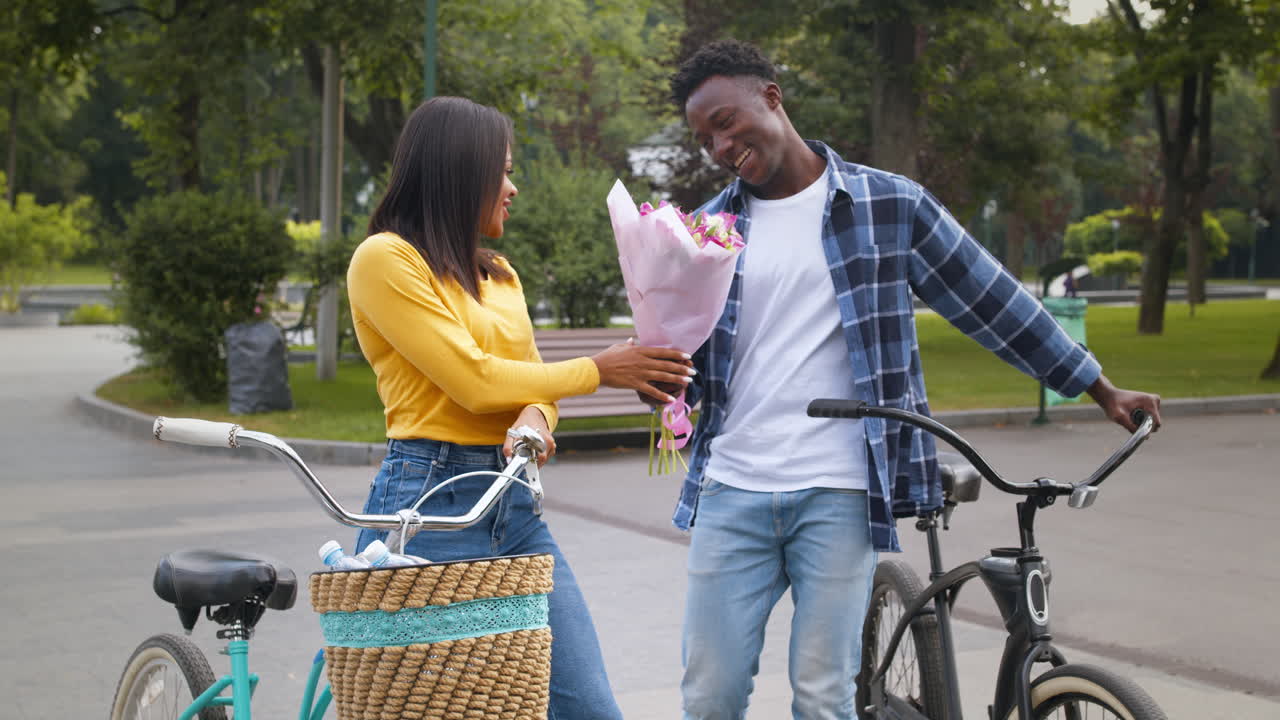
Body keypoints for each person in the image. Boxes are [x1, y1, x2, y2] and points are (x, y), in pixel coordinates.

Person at [657, 40, 1163, 720]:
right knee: (709, 695)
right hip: (734, 490)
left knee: (824, 696)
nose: (718, 146)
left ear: (772, 98)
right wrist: (664, 388)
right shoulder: (707, 233)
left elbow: (992, 300)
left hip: (839, 492)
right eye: (704, 138)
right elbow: (689, 371)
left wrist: (1099, 387)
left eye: (725, 122)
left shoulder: (888, 205)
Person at [346, 95, 694, 719]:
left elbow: (534, 384)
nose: (512, 188)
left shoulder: (500, 275)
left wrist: (537, 416)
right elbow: (475, 382)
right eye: (501, 171)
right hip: (430, 503)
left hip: (512, 500)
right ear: (460, 172)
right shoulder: (384, 260)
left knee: (588, 708)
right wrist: (600, 369)